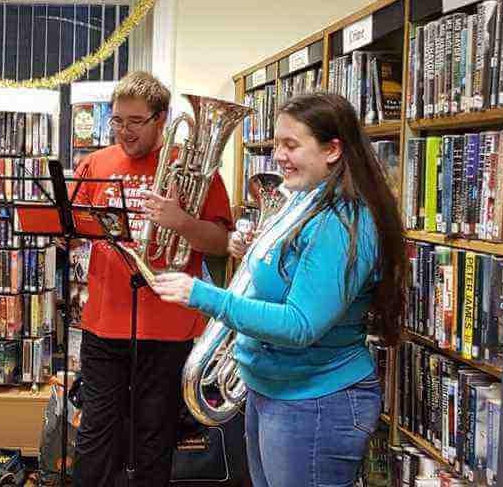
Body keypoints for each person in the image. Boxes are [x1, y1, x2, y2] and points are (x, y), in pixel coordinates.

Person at [151, 92, 407, 487]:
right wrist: (251, 248)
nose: (277, 156)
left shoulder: (341, 222)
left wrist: (202, 294)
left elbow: (299, 324)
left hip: (317, 403)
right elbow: (284, 269)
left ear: (332, 150)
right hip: (276, 391)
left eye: (291, 145)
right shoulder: (305, 198)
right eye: (275, 144)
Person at [69, 71, 233, 487]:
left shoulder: (194, 170)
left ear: (162, 119)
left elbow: (219, 242)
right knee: (95, 436)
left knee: (155, 437)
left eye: (135, 121)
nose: (124, 131)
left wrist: (179, 221)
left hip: (167, 327)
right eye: (118, 120)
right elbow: (71, 230)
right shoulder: (96, 163)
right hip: (103, 324)